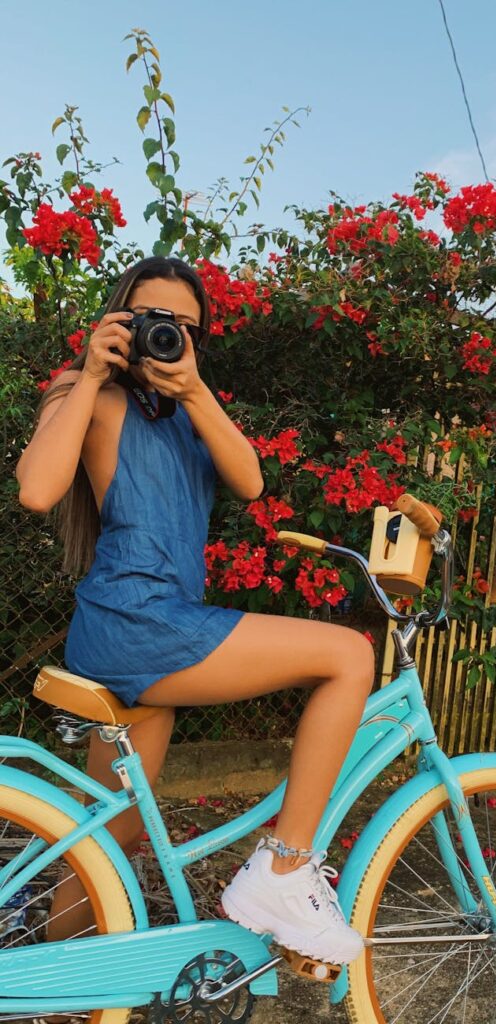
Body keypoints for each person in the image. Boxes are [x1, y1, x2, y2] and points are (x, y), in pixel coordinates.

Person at [16, 257, 372, 966]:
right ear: (119, 317)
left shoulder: (187, 412)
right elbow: (36, 489)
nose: (166, 334)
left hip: (145, 628)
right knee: (350, 655)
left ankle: (49, 991)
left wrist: (196, 390)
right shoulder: (90, 395)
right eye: (151, 318)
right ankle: (283, 872)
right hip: (139, 624)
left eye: (185, 327)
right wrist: (89, 374)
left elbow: (250, 481)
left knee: (115, 836)